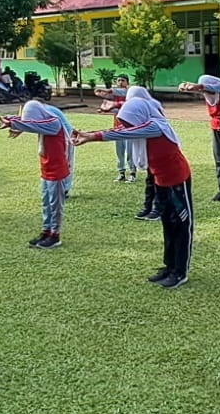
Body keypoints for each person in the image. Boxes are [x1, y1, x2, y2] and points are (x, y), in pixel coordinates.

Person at [73, 97, 195, 288]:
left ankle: (180, 272)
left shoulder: (155, 126)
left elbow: (125, 133)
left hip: (177, 179)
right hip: (160, 180)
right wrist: (89, 135)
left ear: (138, 117)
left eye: (129, 121)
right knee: (167, 224)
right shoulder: (143, 124)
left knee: (181, 225)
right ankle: (169, 266)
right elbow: (121, 130)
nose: (126, 125)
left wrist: (92, 137)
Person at [0, 100, 70, 249]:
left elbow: (32, 125)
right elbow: (29, 122)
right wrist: (11, 119)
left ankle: (55, 236)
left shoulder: (53, 123)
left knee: (55, 205)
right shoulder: (44, 121)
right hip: (46, 169)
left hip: (56, 171)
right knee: (46, 204)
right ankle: (46, 231)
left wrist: (12, 123)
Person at [178, 75, 220, 202]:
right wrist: (187, 87)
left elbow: (210, 87)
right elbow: (203, 89)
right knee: (219, 160)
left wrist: (198, 87)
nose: (206, 93)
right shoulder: (208, 90)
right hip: (215, 126)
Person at [126, 85, 161, 221]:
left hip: (157, 149)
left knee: (159, 181)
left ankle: (158, 209)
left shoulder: (153, 107)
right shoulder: (138, 108)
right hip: (146, 147)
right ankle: (147, 206)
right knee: (150, 180)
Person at [95, 75, 136, 183]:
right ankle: (121, 172)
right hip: (117, 126)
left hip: (129, 127)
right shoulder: (114, 96)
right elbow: (113, 106)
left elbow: (123, 108)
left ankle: (132, 173)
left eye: (123, 80)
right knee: (119, 151)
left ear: (127, 83)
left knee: (130, 151)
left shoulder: (129, 93)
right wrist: (105, 109)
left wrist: (105, 91)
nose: (120, 82)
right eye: (118, 80)